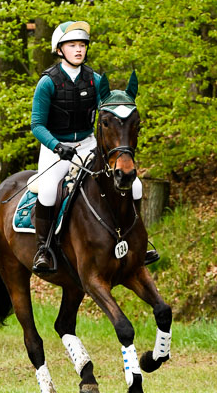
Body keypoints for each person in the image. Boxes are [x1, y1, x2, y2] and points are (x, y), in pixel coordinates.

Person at [30, 20, 158, 273]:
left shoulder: (95, 80)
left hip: (88, 144)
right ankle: (43, 249)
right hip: (55, 147)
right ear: (59, 50)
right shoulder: (47, 83)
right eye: (72, 45)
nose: (78, 50)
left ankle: (137, 240)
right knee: (47, 190)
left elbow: (109, 115)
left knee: (135, 185)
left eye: (82, 46)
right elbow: (37, 125)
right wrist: (57, 146)